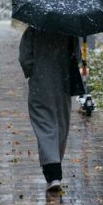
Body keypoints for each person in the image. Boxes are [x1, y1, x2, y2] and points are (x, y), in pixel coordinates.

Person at [19, 26, 82, 192]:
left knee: (45, 126)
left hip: (40, 84)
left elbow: (25, 58)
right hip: (63, 83)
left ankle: (52, 172)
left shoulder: (33, 30)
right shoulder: (69, 31)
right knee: (61, 125)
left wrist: (33, 70)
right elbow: (77, 56)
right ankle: (55, 167)